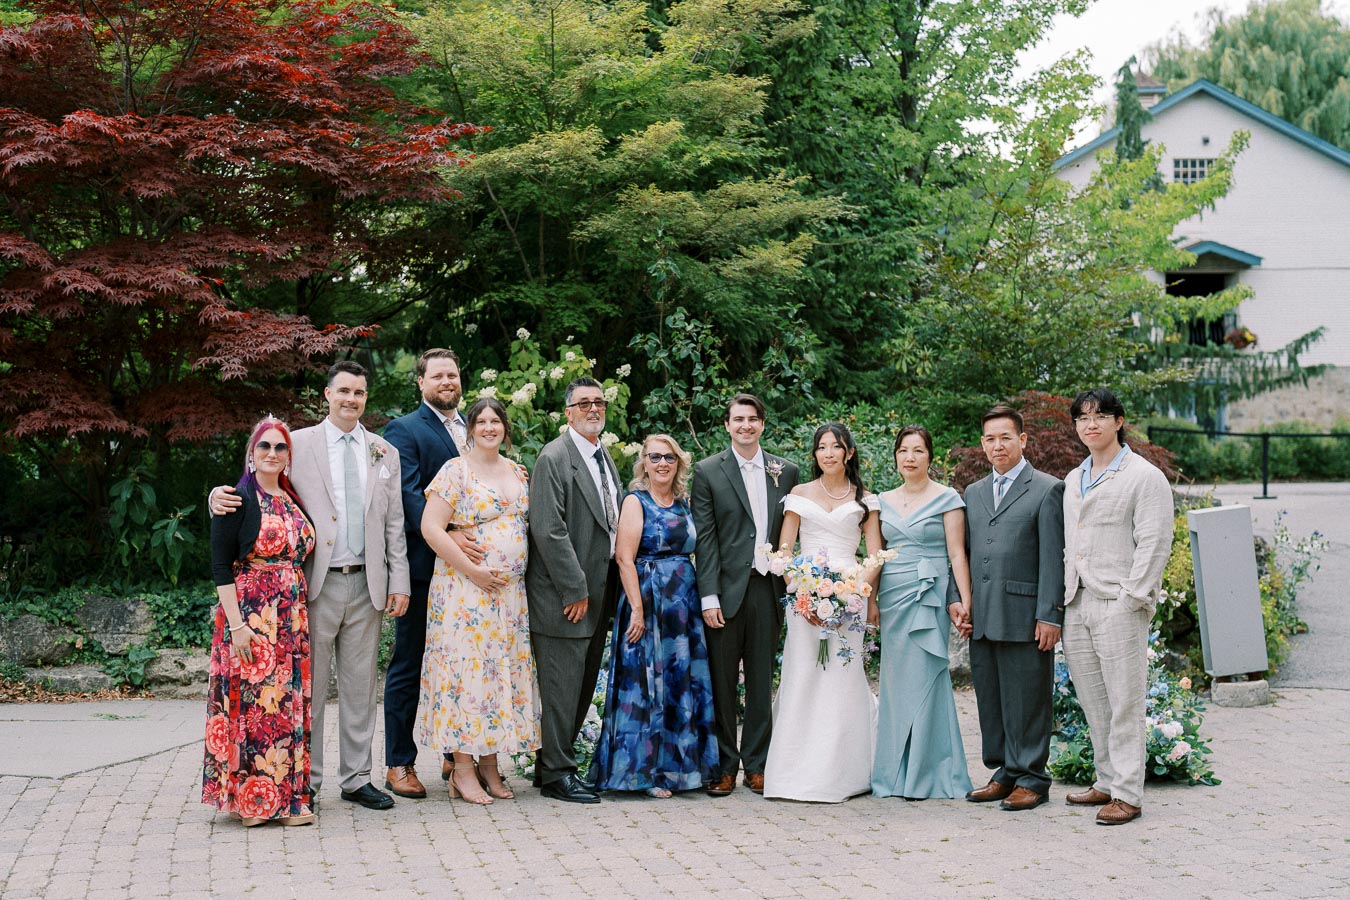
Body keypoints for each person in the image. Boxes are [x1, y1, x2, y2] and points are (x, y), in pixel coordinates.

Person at [210, 360, 410, 812]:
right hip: (312, 586)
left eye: (359, 392)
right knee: (309, 689)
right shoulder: (296, 443)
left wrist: (399, 580)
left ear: (365, 398)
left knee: (362, 689)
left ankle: (358, 779)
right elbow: (256, 482)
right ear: (327, 394)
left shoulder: (384, 452)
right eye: (343, 391)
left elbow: (394, 524)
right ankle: (307, 780)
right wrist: (214, 497)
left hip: (369, 585)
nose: (351, 399)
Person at [417, 397, 540, 805]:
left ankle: (491, 763)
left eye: (496, 420)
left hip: (508, 597)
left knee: (498, 676)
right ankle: (463, 769)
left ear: (505, 426)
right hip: (465, 594)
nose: (490, 427)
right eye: (481, 421)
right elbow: (431, 527)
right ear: (470, 428)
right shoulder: (456, 471)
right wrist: (474, 571)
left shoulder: (517, 471)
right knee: (467, 678)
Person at [1061, 388, 1174, 826]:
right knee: (1093, 701)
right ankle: (1106, 780)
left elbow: (1154, 542)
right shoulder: (1074, 477)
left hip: (1118, 603)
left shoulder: (1144, 477)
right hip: (1077, 601)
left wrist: (1132, 598)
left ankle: (1128, 794)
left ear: (1119, 421)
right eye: (1083, 418)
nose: (1091, 424)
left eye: (1100, 416)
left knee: (1125, 702)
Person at [590, 434, 718, 797]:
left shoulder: (684, 503)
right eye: (655, 457)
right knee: (647, 685)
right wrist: (637, 610)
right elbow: (624, 557)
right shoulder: (636, 501)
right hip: (647, 600)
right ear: (644, 462)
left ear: (679, 463)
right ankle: (646, 774)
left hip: (682, 606)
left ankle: (680, 770)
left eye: (669, 458)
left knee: (679, 683)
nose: (662, 464)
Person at [204, 417, 316, 826]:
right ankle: (252, 802)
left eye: (280, 448)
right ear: (252, 454)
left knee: (285, 707)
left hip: (290, 619)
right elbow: (220, 566)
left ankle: (287, 801)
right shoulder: (236, 498)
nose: (272, 453)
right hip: (250, 615)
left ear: (288, 457)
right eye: (264, 446)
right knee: (252, 708)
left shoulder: (293, 499)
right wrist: (237, 626)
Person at [763, 422, 881, 803]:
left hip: (850, 598)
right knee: (803, 674)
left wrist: (853, 593)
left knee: (843, 678)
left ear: (849, 453)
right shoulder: (799, 494)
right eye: (822, 447)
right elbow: (784, 551)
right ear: (815, 454)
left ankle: (842, 772)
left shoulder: (867, 499)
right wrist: (804, 594)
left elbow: (875, 555)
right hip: (804, 599)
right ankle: (793, 771)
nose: (828, 453)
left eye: (836, 447)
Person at [691, 393, 799, 797]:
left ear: (763, 425)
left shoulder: (785, 472)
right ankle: (724, 766)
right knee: (721, 682)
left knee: (759, 680)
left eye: (753, 419)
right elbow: (706, 538)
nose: (746, 426)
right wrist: (709, 596)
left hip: (766, 589)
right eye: (738, 419)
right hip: (725, 592)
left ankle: (757, 765)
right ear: (727, 425)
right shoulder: (707, 471)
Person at [959, 407, 1066, 811]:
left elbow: (1054, 557)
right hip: (983, 614)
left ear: (1023, 440)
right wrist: (961, 602)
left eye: (1005, 437)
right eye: (989, 438)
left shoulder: (1047, 488)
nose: (997, 445)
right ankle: (1003, 771)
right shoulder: (972, 493)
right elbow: (963, 554)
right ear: (982, 444)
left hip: (1026, 614)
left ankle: (1032, 777)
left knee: (1028, 697)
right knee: (991, 696)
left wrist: (1050, 614)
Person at [525, 377, 621, 804]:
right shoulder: (555, 457)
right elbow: (548, 529)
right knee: (563, 687)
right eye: (583, 403)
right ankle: (558, 775)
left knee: (580, 686)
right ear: (568, 413)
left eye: (598, 402)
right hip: (567, 595)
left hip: (602, 591)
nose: (593, 409)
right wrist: (574, 589)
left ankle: (551, 764)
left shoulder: (603, 456)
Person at [380, 348, 467, 798]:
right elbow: (409, 498)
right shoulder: (405, 429)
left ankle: (458, 758)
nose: (446, 382)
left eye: (452, 374)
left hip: (469, 574)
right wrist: (451, 534)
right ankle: (399, 763)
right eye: (437, 376)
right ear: (421, 382)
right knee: (409, 665)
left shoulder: (476, 427)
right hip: (424, 569)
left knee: (460, 666)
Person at [872, 425, 975, 800]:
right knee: (895, 683)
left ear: (930, 456)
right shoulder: (880, 500)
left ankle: (929, 771)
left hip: (929, 594)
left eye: (918, 450)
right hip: (893, 594)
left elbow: (956, 554)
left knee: (930, 677)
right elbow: (876, 556)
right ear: (895, 456)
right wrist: (869, 600)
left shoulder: (948, 497)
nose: (910, 458)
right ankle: (894, 773)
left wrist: (965, 600)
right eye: (903, 451)